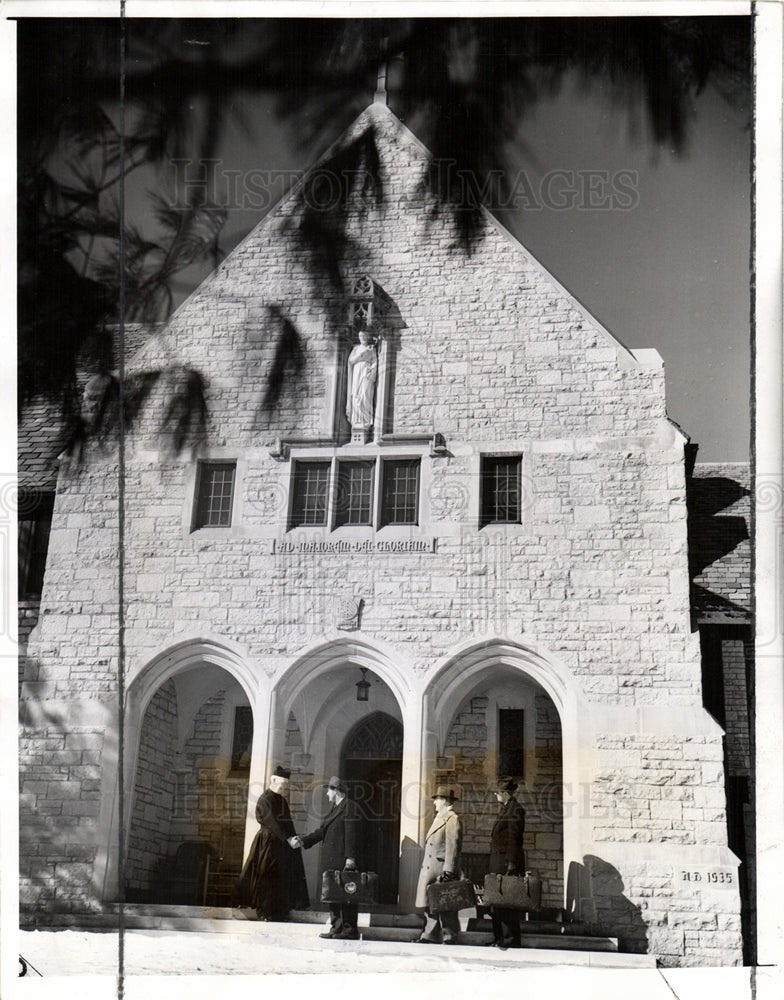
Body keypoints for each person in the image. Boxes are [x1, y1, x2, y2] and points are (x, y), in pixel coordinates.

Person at [233, 765, 309, 920]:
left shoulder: (282, 800)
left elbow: (287, 822)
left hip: (282, 845)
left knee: (281, 878)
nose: (284, 788)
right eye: (282, 785)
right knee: (267, 877)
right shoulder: (265, 799)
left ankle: (279, 912)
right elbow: (272, 822)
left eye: (286, 786)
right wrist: (288, 839)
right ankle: (265, 912)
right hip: (267, 844)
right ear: (273, 780)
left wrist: (293, 838)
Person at [297, 776, 361, 940]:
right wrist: (303, 841)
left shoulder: (350, 807)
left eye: (329, 790)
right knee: (333, 894)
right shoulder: (334, 808)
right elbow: (321, 831)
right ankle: (336, 927)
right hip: (332, 860)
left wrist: (350, 858)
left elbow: (352, 834)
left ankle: (349, 929)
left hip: (343, 859)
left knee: (347, 895)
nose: (326, 794)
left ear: (337, 790)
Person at [414, 786, 463, 945]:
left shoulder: (451, 818)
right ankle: (428, 935)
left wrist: (449, 870)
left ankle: (449, 936)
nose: (434, 802)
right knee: (431, 903)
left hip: (441, 868)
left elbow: (453, 845)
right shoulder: (439, 817)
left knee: (445, 903)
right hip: (432, 867)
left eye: (437, 799)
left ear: (445, 801)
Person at [486, 777, 526, 949]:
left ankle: (510, 939)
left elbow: (514, 838)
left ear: (505, 793)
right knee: (497, 902)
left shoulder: (516, 810)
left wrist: (511, 863)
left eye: (497, 792)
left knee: (507, 902)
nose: (496, 795)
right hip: (498, 860)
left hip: (505, 862)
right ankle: (498, 938)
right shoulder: (505, 809)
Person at [345, 328, 378, 430]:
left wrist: (371, 371)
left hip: (366, 373)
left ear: (367, 337)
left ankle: (365, 421)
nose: (362, 338)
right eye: (360, 336)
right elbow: (351, 360)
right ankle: (356, 420)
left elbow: (375, 362)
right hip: (357, 372)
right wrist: (362, 354)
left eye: (364, 336)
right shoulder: (356, 349)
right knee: (356, 395)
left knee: (365, 394)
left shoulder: (372, 349)